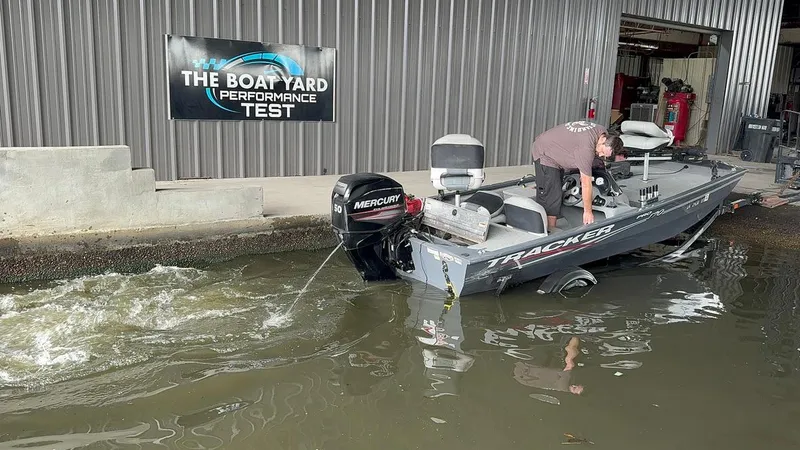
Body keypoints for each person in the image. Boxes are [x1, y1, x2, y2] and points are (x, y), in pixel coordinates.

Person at [530, 121, 624, 229]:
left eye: (604, 155)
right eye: (602, 151)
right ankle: (550, 231)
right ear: (603, 140)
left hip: (556, 145)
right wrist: (588, 212)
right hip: (544, 152)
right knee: (552, 195)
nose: (601, 155)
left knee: (592, 164)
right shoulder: (586, 149)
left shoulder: (601, 131)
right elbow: (586, 184)